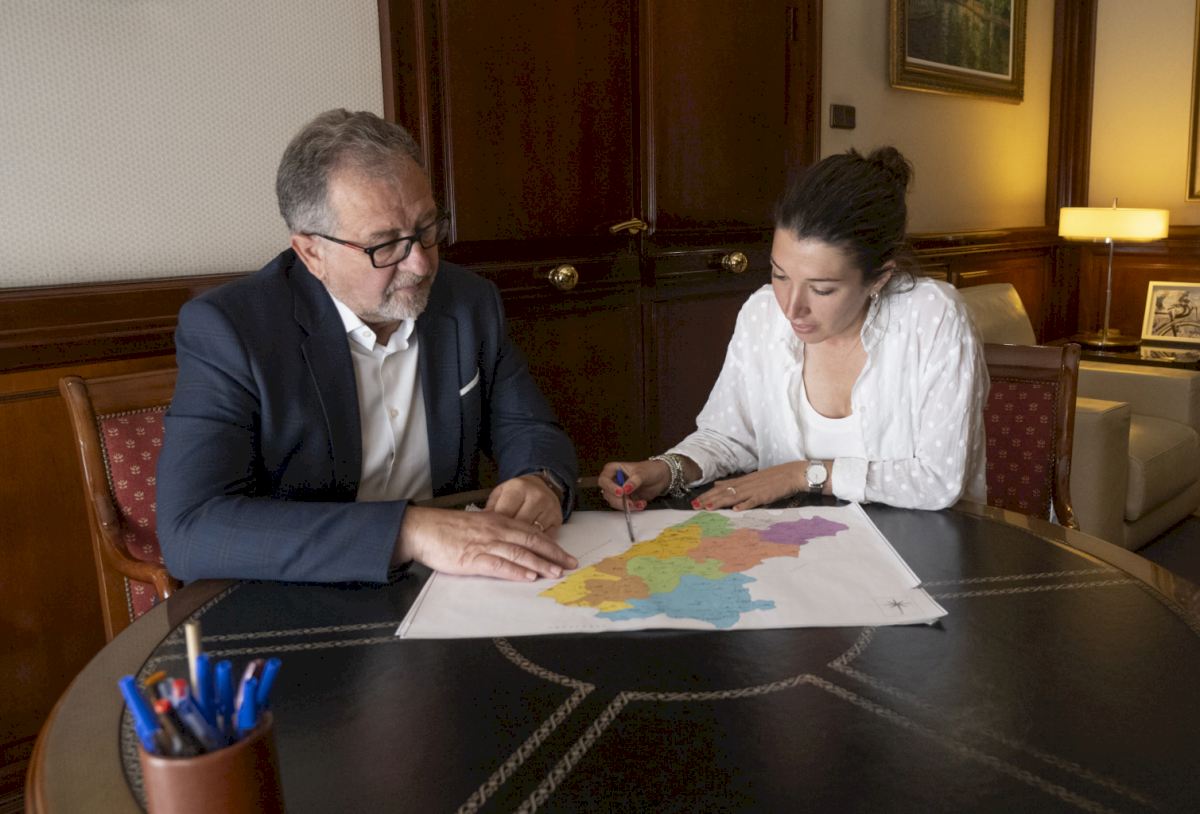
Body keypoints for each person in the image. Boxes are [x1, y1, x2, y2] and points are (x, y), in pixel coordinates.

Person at [158, 109, 578, 584]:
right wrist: (407, 532)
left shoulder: (469, 301)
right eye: (385, 245)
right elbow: (191, 530)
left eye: (426, 229)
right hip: (309, 591)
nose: (421, 265)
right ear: (312, 253)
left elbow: (527, 426)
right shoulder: (232, 330)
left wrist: (540, 479)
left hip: (450, 584)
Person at [600, 146, 988, 513]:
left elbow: (939, 479)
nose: (790, 307)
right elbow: (729, 436)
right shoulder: (763, 313)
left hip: (918, 547)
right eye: (780, 275)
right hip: (796, 546)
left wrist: (801, 474)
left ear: (879, 278)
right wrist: (667, 469)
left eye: (822, 289)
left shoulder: (933, 316)